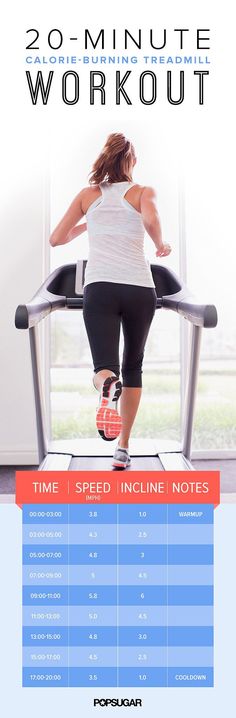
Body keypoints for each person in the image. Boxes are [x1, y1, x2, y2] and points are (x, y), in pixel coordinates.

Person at [49, 133, 171, 468]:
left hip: (100, 286)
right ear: (131, 161)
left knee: (104, 367)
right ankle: (123, 447)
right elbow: (151, 218)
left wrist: (90, 224)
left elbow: (56, 238)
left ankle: (107, 384)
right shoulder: (143, 191)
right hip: (139, 288)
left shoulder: (89, 195)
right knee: (134, 367)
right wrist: (160, 243)